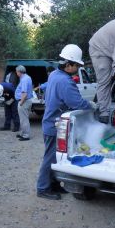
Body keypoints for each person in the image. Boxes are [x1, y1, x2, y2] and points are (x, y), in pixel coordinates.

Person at [37, 45, 95, 200]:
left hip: (51, 122)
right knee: (50, 158)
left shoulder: (55, 75)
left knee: (56, 158)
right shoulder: (65, 81)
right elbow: (77, 103)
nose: (77, 68)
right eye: (76, 65)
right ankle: (42, 188)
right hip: (54, 125)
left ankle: (54, 185)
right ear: (68, 64)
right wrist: (91, 106)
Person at [14, 65, 34, 141]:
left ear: (19, 71)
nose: (16, 73)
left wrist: (21, 103)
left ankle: (26, 135)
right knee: (23, 118)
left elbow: (24, 93)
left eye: (16, 72)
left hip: (24, 101)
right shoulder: (27, 77)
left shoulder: (24, 79)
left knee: (24, 119)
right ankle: (23, 133)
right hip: (26, 101)